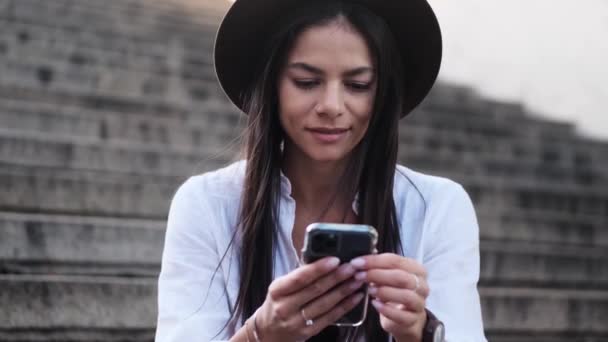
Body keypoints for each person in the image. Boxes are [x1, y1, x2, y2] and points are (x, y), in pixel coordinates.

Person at [155, 0, 487, 341]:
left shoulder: (437, 207)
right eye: (306, 81)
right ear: (272, 85)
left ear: (383, 92)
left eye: (358, 85)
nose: (331, 106)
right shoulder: (207, 203)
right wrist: (261, 334)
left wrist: (418, 332)